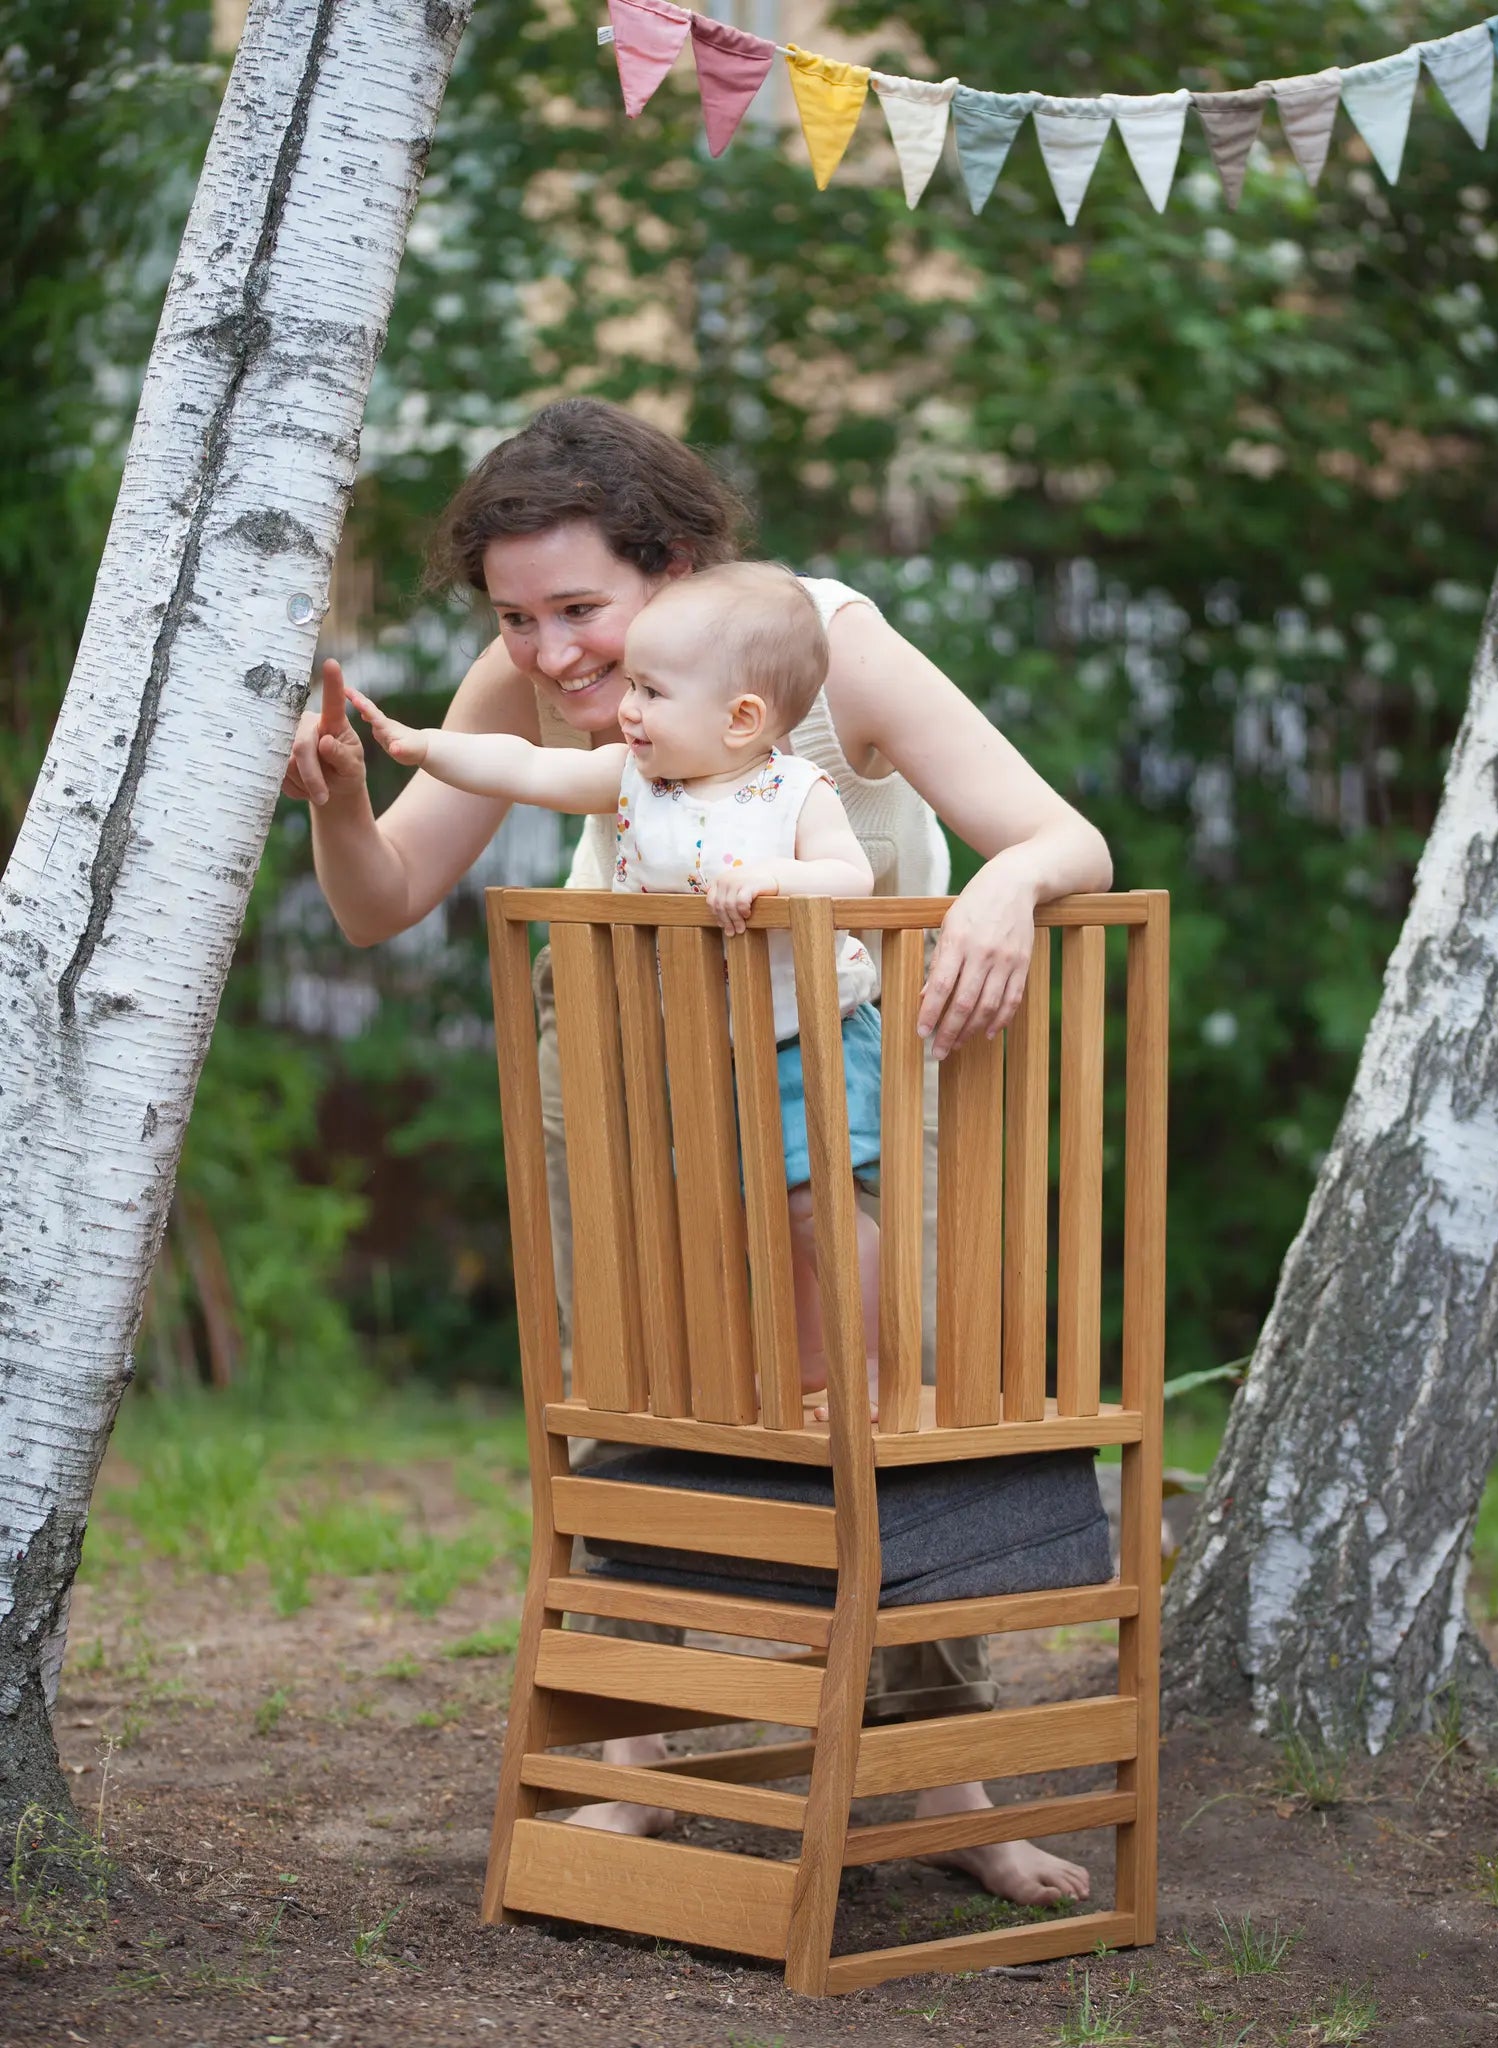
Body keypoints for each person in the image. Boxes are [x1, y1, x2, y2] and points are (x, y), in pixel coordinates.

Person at [284, 397, 1110, 1907]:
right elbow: (380, 896)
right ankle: (638, 1767)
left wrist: (1008, 895)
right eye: (515, 619)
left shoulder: (820, 641)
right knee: (643, 1393)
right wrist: (343, 799)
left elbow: (1064, 840)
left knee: (876, 1407)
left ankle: (947, 1785)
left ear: (670, 564)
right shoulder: (533, 673)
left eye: (581, 610)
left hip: (835, 1075)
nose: (549, 657)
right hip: (620, 1058)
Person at [344, 560, 887, 1413]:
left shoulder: (790, 791)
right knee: (750, 1220)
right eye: (631, 684)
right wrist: (422, 747)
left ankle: (859, 1377)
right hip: (702, 1049)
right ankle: (798, 1372)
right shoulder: (633, 781)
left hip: (802, 1040)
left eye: (652, 692)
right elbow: (523, 767)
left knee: (816, 1212)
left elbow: (850, 878)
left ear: (742, 718)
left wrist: (777, 880)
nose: (625, 710)